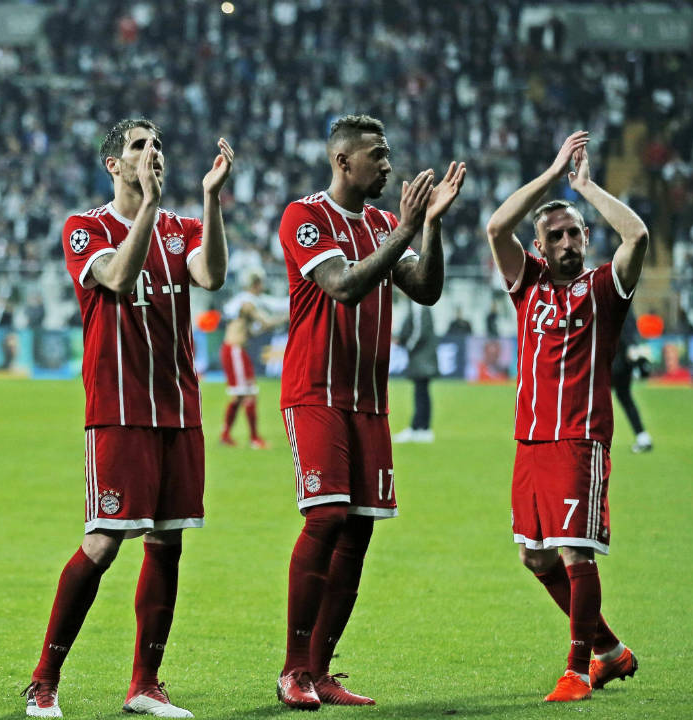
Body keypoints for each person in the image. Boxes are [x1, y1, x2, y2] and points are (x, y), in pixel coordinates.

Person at [24, 119, 233, 719]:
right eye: (140, 147)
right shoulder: (84, 227)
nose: (153, 154)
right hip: (118, 410)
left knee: (167, 543)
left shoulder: (182, 226)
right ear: (113, 165)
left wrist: (212, 200)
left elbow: (211, 275)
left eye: (159, 145)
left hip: (178, 407)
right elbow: (116, 276)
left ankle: (146, 684)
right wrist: (151, 209)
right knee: (104, 541)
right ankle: (44, 681)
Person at [275, 114, 464, 709]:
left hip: (370, 402)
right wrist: (405, 230)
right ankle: (292, 670)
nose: (388, 165)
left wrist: (428, 227)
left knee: (358, 529)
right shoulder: (305, 217)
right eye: (376, 155)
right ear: (342, 162)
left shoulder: (384, 222)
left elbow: (427, 289)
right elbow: (344, 286)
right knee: (326, 518)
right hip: (316, 392)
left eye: (387, 155)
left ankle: (321, 670)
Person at [485, 131, 645, 703]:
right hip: (530, 442)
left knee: (576, 552)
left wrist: (584, 187)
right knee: (534, 555)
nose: (569, 240)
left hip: (580, 442)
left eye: (575, 232)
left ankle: (579, 670)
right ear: (541, 245)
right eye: (556, 235)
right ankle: (609, 650)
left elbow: (637, 234)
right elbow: (496, 227)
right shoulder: (525, 283)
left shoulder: (604, 289)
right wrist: (552, 176)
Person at [219, 271, 285, 449]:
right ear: (256, 284)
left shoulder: (242, 301)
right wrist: (290, 316)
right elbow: (266, 321)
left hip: (236, 350)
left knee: (241, 395)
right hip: (235, 350)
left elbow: (254, 329)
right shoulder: (248, 302)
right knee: (247, 394)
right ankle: (254, 439)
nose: (263, 287)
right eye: (261, 284)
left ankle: (226, 435)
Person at [392, 302, 438, 443]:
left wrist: (409, 346)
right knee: (422, 392)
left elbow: (419, 332)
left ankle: (418, 428)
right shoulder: (421, 306)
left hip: (422, 358)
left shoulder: (419, 306)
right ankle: (422, 428)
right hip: (424, 358)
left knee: (420, 393)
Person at [610, 309, 652, 453]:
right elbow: (632, 330)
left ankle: (594, 437)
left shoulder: (613, 300)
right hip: (626, 359)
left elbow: (618, 329)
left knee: (596, 398)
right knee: (625, 398)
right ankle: (642, 436)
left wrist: (628, 347)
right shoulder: (628, 304)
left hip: (614, 359)